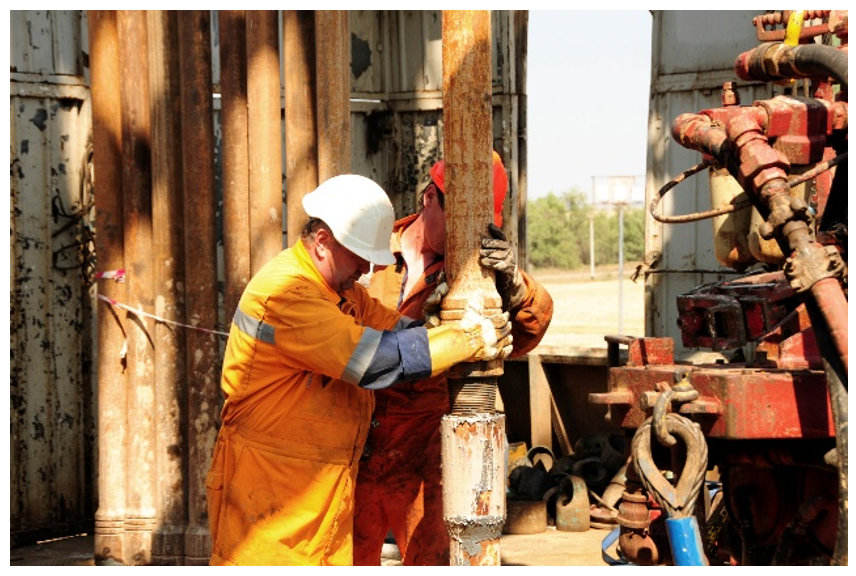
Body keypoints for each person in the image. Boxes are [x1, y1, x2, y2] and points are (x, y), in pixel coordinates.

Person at [205, 174, 514, 566]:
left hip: (318, 495)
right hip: (268, 496)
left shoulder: (340, 292)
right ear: (322, 242)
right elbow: (371, 361)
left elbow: (395, 330)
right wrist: (467, 340)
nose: (368, 267)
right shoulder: (288, 294)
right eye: (360, 254)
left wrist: (441, 326)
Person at [353, 152, 554, 566]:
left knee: (433, 560)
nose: (472, 233)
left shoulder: (472, 273)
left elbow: (528, 331)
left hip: (426, 445)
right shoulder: (368, 256)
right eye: (461, 218)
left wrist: (516, 286)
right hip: (357, 437)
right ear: (430, 199)